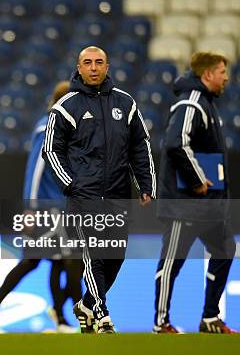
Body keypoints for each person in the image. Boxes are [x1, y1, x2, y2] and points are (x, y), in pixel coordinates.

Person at [42, 46, 155, 333]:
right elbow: (50, 150)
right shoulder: (65, 106)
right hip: (84, 199)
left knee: (115, 257)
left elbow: (140, 147)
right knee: (94, 255)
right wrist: (71, 184)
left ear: (108, 66)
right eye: (88, 63)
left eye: (99, 62)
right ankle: (102, 314)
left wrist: (146, 184)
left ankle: (86, 304)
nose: (93, 68)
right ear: (78, 68)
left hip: (118, 197)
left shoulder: (125, 104)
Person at [0, 81, 83, 333]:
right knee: (52, 261)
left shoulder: (63, 129)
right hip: (48, 209)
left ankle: (58, 319)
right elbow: (35, 169)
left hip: (61, 207)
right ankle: (72, 319)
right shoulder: (47, 128)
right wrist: (31, 208)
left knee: (54, 262)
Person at [154, 52, 235, 334]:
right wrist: (198, 178)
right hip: (184, 203)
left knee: (225, 249)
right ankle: (160, 322)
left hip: (207, 206)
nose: (226, 77)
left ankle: (210, 317)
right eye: (222, 71)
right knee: (172, 262)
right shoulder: (191, 102)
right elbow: (176, 143)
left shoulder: (206, 104)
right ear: (208, 74)